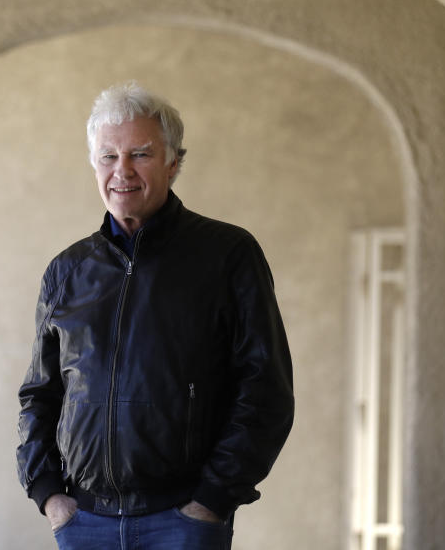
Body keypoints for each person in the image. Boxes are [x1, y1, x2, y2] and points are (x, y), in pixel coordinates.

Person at [16, 82, 294, 549]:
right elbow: (40, 395)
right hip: (83, 522)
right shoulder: (67, 271)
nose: (121, 171)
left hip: (183, 522)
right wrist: (49, 496)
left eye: (140, 154)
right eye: (108, 156)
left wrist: (211, 499)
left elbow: (265, 389)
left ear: (174, 162)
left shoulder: (227, 255)